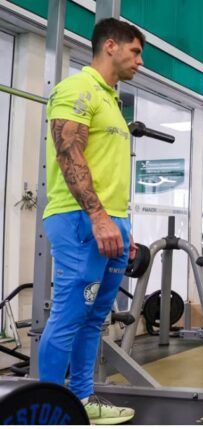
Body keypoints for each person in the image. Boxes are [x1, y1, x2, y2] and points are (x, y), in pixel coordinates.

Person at [40, 18, 144, 424]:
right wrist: (99, 217)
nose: (139, 61)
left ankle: (81, 399)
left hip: (110, 221)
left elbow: (107, 171)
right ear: (110, 46)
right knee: (69, 315)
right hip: (79, 219)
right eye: (135, 51)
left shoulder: (112, 100)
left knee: (95, 318)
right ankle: (48, 410)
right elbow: (69, 153)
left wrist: (121, 225)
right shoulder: (77, 88)